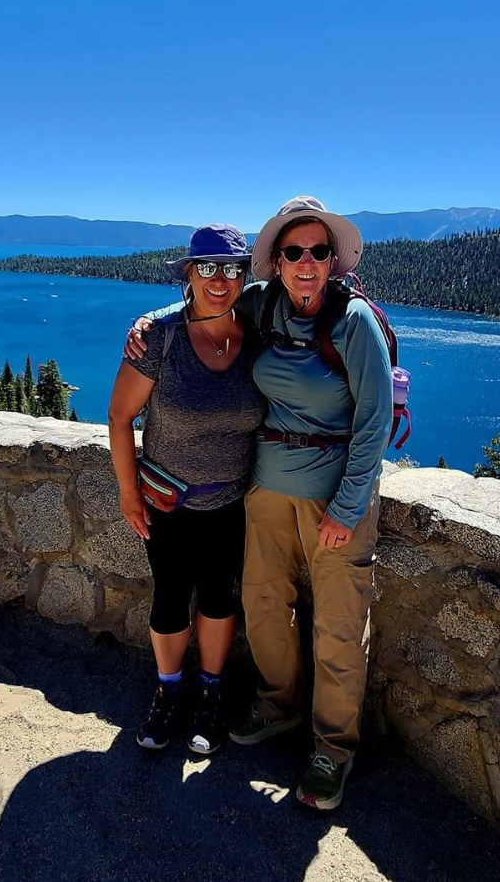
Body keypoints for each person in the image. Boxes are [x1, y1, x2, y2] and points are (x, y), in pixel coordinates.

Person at [128, 196, 393, 810]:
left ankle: (332, 749)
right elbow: (203, 306)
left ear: (334, 261)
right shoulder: (262, 304)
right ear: (276, 262)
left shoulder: (354, 323)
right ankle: (278, 705)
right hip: (267, 488)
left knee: (337, 624)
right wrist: (147, 320)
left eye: (318, 251)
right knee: (264, 604)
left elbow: (374, 423)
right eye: (293, 252)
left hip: (333, 496)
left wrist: (348, 507)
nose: (306, 263)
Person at [107, 224, 264, 755]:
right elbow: (120, 416)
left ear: (243, 275)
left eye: (232, 269)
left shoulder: (256, 336)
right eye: (208, 268)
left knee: (220, 600)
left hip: (231, 503)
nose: (220, 280)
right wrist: (128, 492)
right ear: (190, 274)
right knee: (171, 598)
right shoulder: (159, 338)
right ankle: (168, 693)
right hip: (166, 502)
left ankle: (210, 695)